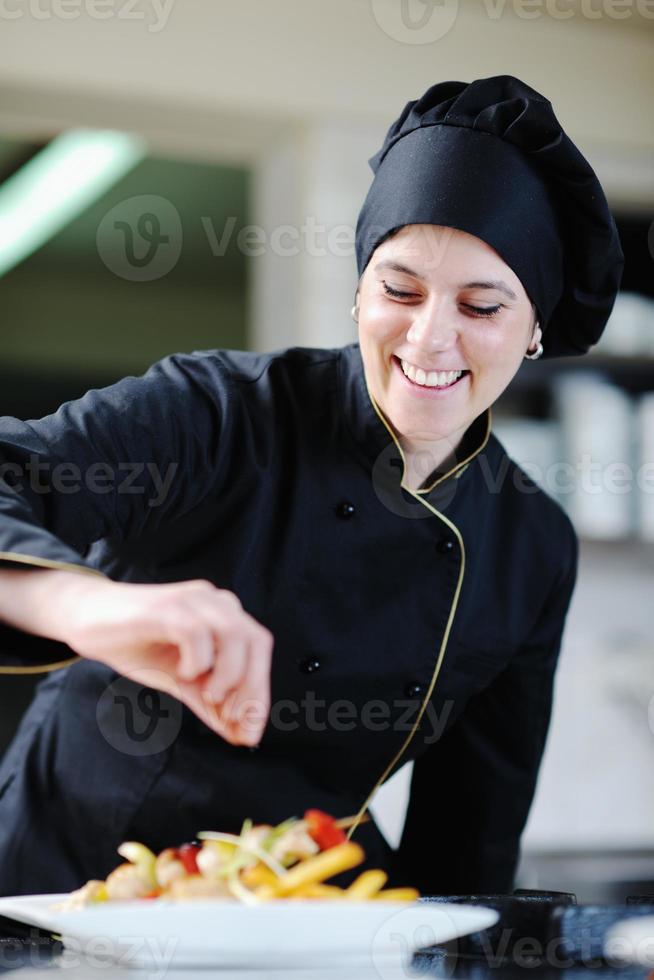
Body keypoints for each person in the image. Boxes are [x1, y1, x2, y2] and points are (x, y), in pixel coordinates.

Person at [0, 74, 623, 897]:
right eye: (400, 289)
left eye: (482, 307)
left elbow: (468, 842)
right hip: (56, 885)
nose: (431, 339)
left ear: (536, 327)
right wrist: (90, 610)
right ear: (360, 286)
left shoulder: (530, 543)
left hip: (300, 910)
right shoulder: (220, 412)